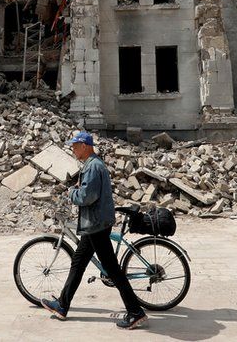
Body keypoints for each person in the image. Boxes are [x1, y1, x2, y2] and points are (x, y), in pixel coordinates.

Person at [40, 131, 148, 330]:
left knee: (112, 270)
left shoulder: (92, 167)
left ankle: (135, 312)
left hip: (96, 225)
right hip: (95, 225)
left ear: (85, 146)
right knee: (78, 263)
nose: (73, 149)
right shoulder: (93, 165)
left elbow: (86, 197)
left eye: (75, 146)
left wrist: (72, 192)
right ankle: (62, 306)